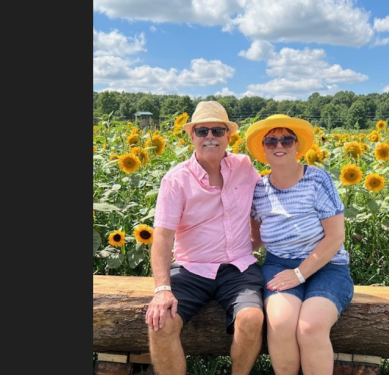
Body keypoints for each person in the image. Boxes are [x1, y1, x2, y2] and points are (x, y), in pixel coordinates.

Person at [144, 101, 264, 375]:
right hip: (191, 269)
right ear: (191, 136)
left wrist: (253, 243)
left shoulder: (245, 167)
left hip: (238, 268)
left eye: (217, 131)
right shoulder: (176, 180)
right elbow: (162, 237)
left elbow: (264, 202)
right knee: (161, 322)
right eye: (202, 131)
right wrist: (162, 289)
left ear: (228, 136)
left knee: (252, 318)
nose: (210, 137)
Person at [245, 114, 354, 375]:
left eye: (286, 139)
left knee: (310, 326)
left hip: (328, 266)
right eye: (271, 141)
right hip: (278, 264)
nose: (279, 146)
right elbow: (255, 238)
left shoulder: (317, 180)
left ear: (297, 146)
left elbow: (336, 236)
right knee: (281, 323)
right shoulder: (259, 189)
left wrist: (299, 273)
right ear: (263, 149)